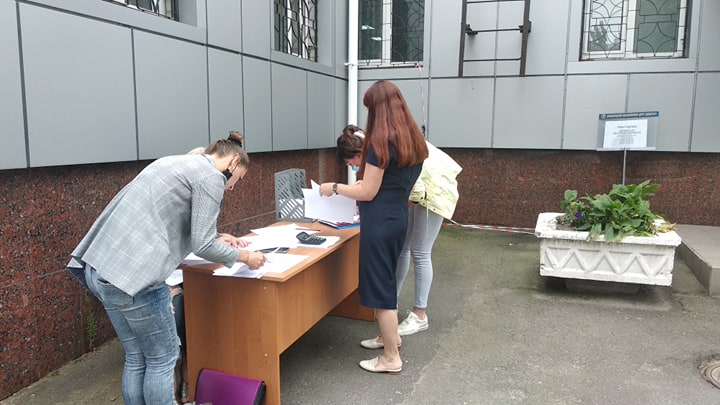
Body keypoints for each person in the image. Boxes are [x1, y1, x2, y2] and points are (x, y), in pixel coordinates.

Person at [67, 131, 267, 404]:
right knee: (162, 359)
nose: (231, 187)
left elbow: (170, 216)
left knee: (136, 357)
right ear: (233, 163)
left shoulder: (173, 162)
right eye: (237, 180)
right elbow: (203, 245)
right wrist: (246, 257)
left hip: (100, 268)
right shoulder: (211, 177)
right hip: (137, 281)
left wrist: (218, 235)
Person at [320, 80, 428, 374]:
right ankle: (388, 338)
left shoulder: (380, 144)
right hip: (397, 218)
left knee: (380, 288)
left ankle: (391, 357)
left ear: (378, 109)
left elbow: (367, 192)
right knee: (387, 281)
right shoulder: (414, 141)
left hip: (379, 223)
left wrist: (335, 187)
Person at [335, 126, 462, 338]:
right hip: (417, 190)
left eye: (351, 163)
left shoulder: (382, 149)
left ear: (359, 153)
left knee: (420, 251)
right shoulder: (375, 146)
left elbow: (414, 192)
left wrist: (387, 208)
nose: (353, 168)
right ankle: (389, 306)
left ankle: (420, 315)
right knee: (402, 249)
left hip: (435, 189)